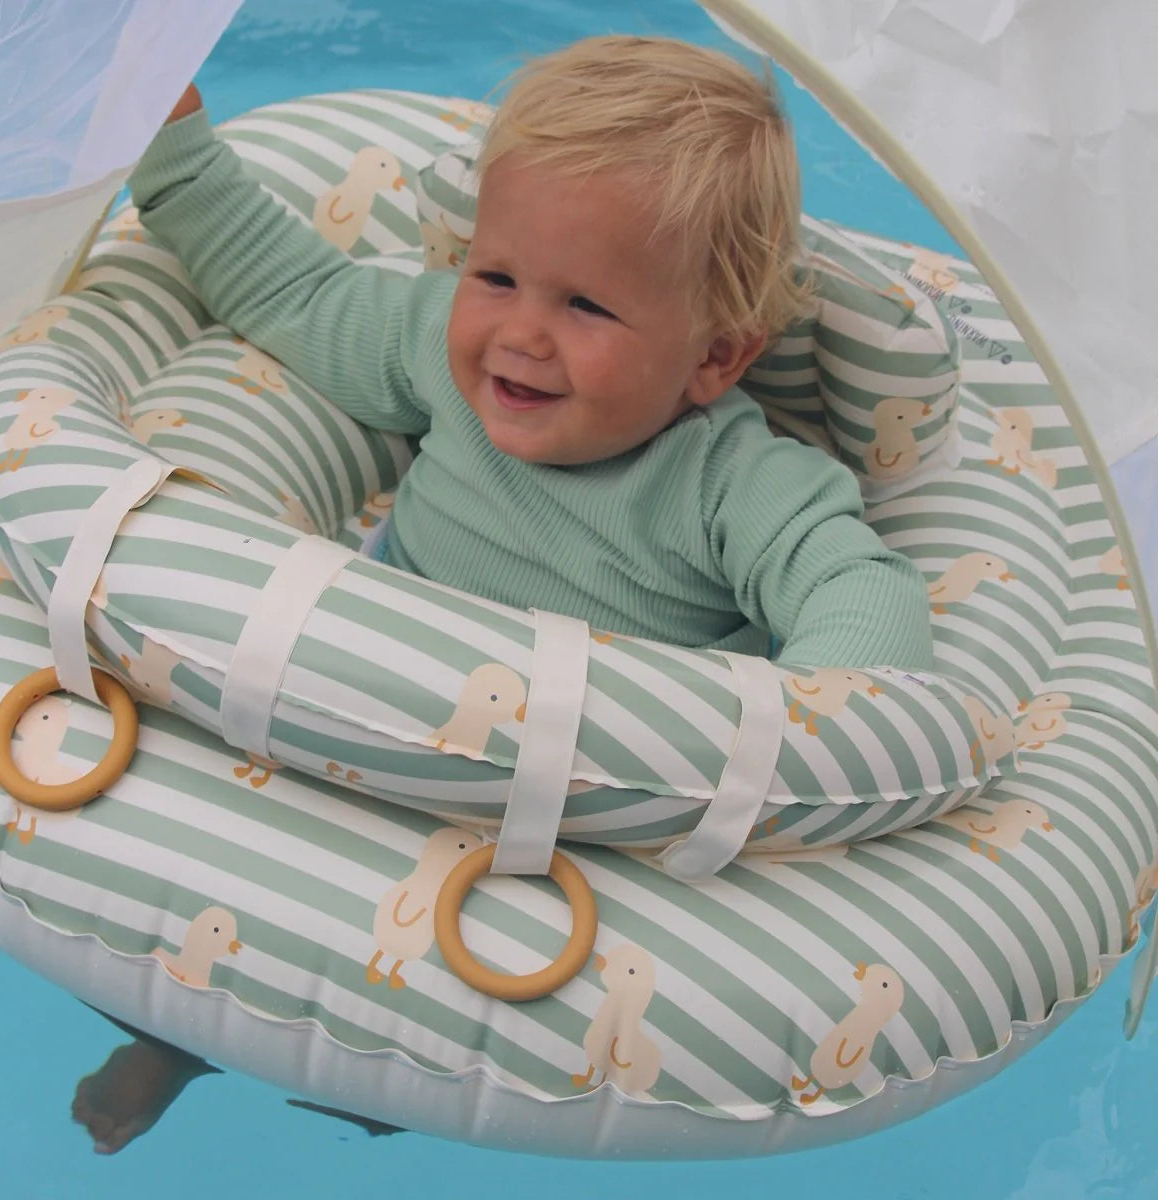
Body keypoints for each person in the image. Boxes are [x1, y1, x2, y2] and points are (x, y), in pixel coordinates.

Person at [71, 33, 933, 1154]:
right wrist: (176, 149)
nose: (520, 334)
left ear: (715, 358)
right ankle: (174, 1045)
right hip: (354, 725)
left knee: (413, 1049)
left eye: (588, 307)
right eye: (497, 277)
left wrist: (789, 735)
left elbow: (858, 591)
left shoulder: (734, 482)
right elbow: (296, 293)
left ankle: (378, 1099)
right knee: (205, 926)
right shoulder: (444, 351)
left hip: (548, 821)